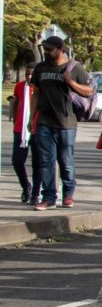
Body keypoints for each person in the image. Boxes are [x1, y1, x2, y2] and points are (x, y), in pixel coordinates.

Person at [30, 36, 94, 211]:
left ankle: (68, 195)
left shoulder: (74, 68)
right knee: (46, 161)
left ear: (60, 48)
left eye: (50, 49)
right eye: (45, 49)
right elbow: (36, 93)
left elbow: (89, 91)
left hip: (66, 123)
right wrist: (31, 118)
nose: (47, 52)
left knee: (66, 161)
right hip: (44, 121)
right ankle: (49, 197)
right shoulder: (41, 68)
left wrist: (70, 82)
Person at [11, 63, 40, 204]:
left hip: (37, 130)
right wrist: (15, 120)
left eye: (31, 74)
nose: (29, 77)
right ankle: (26, 186)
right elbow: (16, 103)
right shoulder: (19, 86)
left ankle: (35, 194)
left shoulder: (40, 88)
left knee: (37, 164)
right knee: (17, 161)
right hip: (20, 130)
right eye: (26, 74)